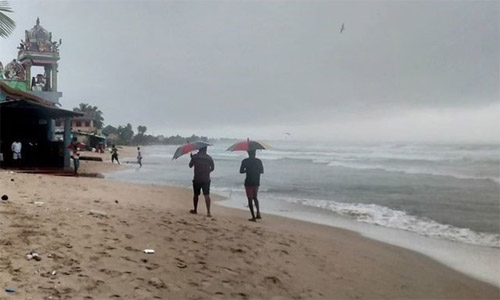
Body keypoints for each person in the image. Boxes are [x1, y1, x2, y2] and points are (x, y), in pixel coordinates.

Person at [188, 147, 215, 217]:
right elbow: (212, 168)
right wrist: (207, 171)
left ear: (199, 149)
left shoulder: (195, 157)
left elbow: (190, 166)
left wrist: (192, 158)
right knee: (207, 195)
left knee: (196, 195)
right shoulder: (209, 158)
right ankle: (208, 212)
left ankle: (195, 209)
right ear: (206, 149)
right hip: (206, 179)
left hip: (197, 178)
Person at [240, 150, 264, 221]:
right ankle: (258, 213)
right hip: (256, 181)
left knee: (250, 199)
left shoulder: (245, 161)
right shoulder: (258, 161)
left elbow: (241, 171)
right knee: (255, 197)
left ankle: (253, 216)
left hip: (248, 182)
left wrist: (247, 170)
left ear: (248, 153)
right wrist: (255, 170)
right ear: (255, 153)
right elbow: (262, 171)